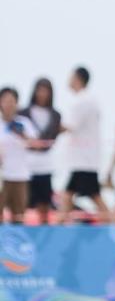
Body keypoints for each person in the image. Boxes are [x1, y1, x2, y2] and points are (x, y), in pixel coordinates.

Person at [59, 66, 108, 222]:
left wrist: (47, 129)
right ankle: (60, 228)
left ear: (78, 78)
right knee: (68, 195)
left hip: (83, 161)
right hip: (85, 160)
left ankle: (113, 227)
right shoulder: (89, 100)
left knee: (94, 197)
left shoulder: (82, 100)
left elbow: (69, 126)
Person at [21, 78, 62, 223]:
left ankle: (42, 237)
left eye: (46, 90)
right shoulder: (23, 113)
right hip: (27, 165)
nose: (42, 94)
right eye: (40, 90)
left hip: (46, 165)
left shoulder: (56, 115)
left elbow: (52, 137)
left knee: (44, 204)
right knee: (24, 204)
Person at [0, 87, 42, 223]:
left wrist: (22, 134)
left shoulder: (24, 123)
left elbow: (37, 145)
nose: (9, 104)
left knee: (18, 216)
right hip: (2, 176)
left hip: (20, 175)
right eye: (5, 101)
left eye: (12, 101)